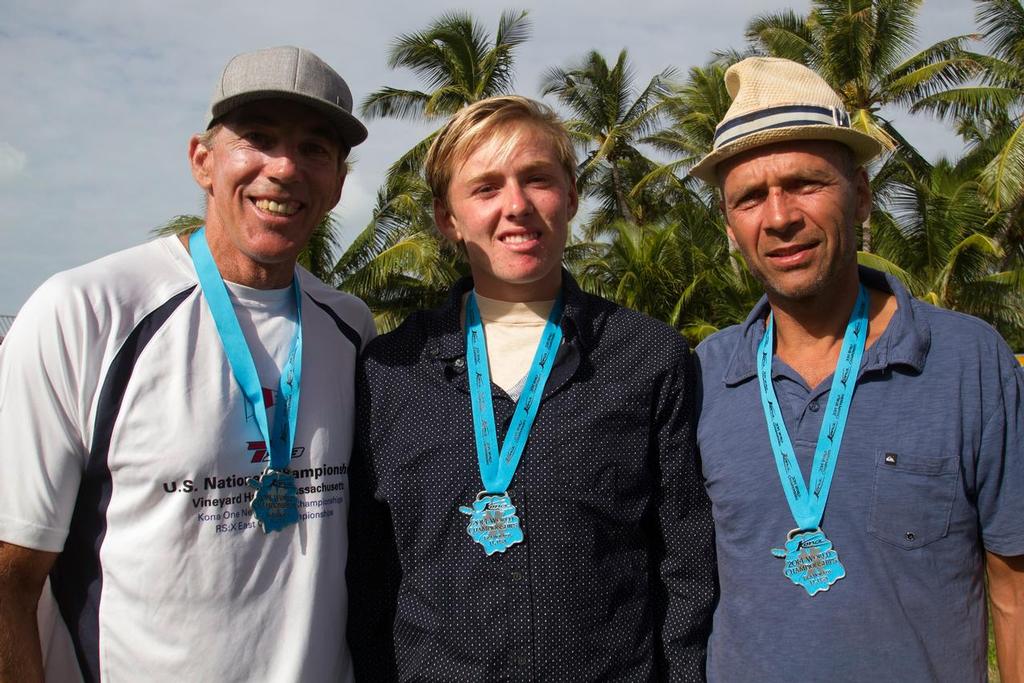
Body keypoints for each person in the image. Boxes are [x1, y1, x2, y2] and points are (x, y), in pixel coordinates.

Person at [0, 46, 375, 682]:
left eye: (315, 149)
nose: (284, 168)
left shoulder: (351, 329)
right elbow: (10, 574)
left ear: (338, 182)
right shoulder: (88, 312)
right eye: (257, 138)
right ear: (202, 159)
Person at [346, 96, 716, 681]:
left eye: (537, 180)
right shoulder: (390, 372)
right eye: (486, 188)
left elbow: (686, 564)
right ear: (449, 218)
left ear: (570, 196)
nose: (516, 206)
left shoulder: (647, 356)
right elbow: (368, 577)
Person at [689, 57, 1024, 681]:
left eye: (806, 183)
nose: (780, 216)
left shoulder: (968, 361)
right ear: (731, 226)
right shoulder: (704, 377)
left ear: (862, 195)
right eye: (750, 198)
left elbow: (1015, 591)